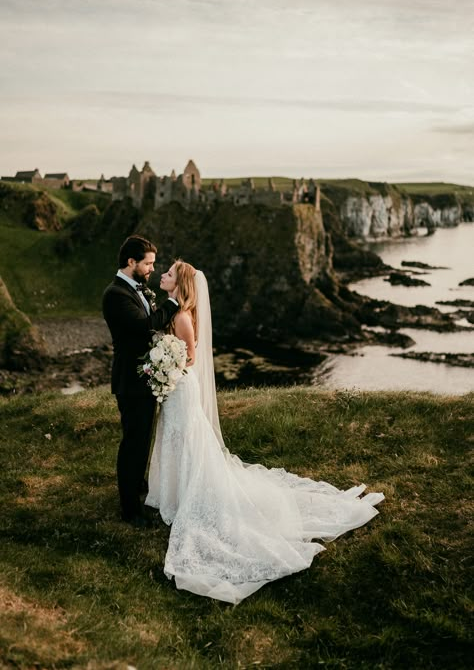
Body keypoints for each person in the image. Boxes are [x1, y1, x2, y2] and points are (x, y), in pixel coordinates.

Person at [144, 260, 384, 604]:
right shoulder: (178, 313)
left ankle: (185, 494)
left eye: (167, 273)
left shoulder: (181, 317)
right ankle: (174, 493)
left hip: (181, 386)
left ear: (179, 283)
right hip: (179, 388)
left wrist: (167, 367)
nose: (162, 275)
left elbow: (191, 357)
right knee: (180, 440)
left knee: (187, 441)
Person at [102, 235, 179, 527]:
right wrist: (172, 303)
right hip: (130, 382)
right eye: (148, 264)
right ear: (131, 262)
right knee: (133, 441)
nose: (151, 269)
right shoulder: (115, 294)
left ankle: (136, 486)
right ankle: (129, 509)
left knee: (142, 438)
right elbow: (143, 326)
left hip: (144, 379)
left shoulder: (138, 290)